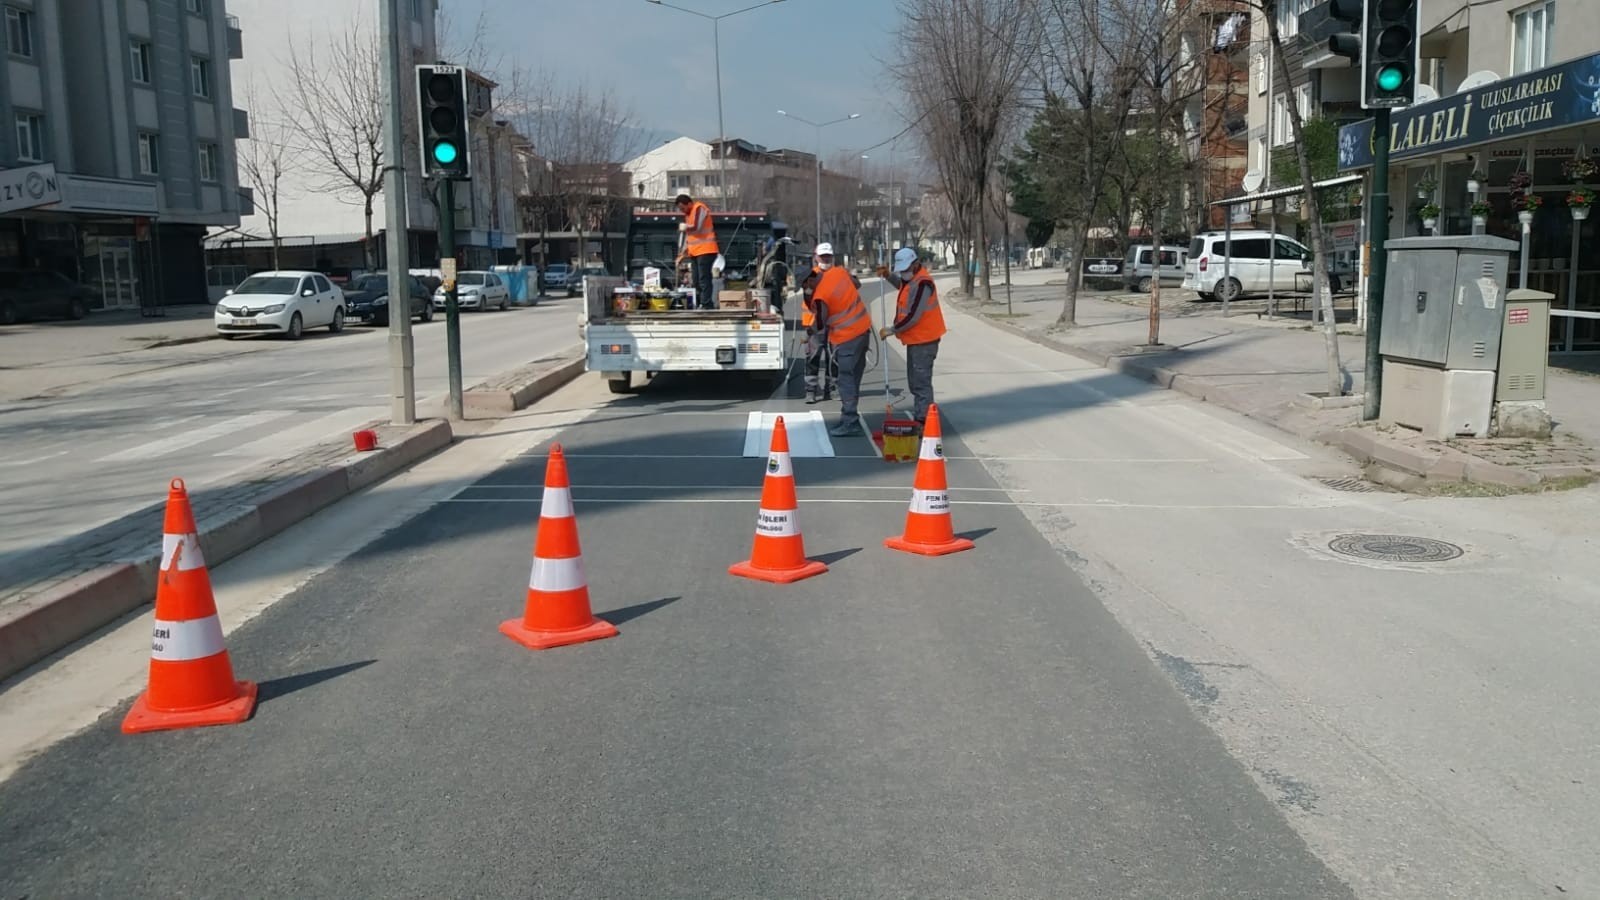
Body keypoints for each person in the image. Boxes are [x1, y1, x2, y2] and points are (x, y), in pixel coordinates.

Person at [876, 247, 947, 427]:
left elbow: (914, 315)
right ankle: (922, 417)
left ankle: (925, 422)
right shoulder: (913, 280)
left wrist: (892, 329)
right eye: (902, 270)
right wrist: (888, 276)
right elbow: (903, 286)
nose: (904, 273)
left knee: (921, 384)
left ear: (915, 264)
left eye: (906, 269)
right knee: (915, 382)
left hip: (925, 340)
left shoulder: (923, 283)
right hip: (916, 340)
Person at [808, 244, 871, 436]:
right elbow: (855, 284)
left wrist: (810, 332)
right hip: (863, 332)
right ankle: (850, 417)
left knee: (846, 380)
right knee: (854, 378)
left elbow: (820, 322)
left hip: (847, 338)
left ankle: (850, 421)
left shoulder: (821, 294)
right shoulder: (840, 273)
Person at [797, 244, 840, 405]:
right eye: (823, 256)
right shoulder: (811, 276)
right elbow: (808, 299)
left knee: (834, 357)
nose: (826, 259)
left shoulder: (837, 275)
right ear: (816, 257)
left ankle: (832, 388)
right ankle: (811, 390)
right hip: (814, 325)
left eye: (828, 256)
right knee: (813, 357)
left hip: (834, 324)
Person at [675, 192, 719, 310]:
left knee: (704, 278)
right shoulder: (688, 215)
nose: (682, 211)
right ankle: (702, 302)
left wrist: (686, 227)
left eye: (682, 208)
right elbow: (689, 237)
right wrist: (682, 254)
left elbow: (696, 226)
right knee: (696, 280)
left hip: (706, 250)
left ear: (689, 203)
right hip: (695, 252)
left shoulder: (699, 208)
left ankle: (707, 304)